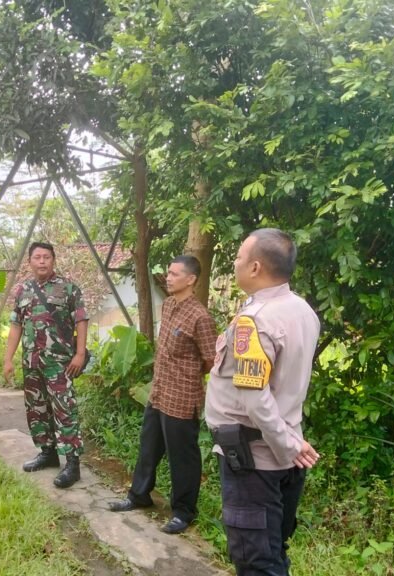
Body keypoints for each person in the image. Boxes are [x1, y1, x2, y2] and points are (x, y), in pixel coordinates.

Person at [204, 228, 320, 575]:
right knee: (274, 551)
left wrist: (287, 445)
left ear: (255, 267)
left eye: (239, 257)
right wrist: (292, 443)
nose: (235, 262)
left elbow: (255, 399)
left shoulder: (254, 321)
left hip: (256, 462)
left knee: (256, 561)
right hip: (284, 452)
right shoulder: (302, 310)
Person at [108, 255, 217, 534]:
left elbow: (210, 360)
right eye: (167, 273)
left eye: (174, 274)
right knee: (149, 446)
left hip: (182, 396)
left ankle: (183, 511)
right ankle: (139, 495)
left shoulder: (201, 317)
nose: (168, 278)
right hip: (159, 391)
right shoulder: (168, 305)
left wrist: (187, 374)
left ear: (191, 279)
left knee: (183, 457)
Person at [3, 241, 88, 489]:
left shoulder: (68, 288)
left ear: (54, 260)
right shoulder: (22, 291)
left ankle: (72, 463)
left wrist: (80, 354)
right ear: (30, 261)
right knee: (37, 409)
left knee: (65, 409)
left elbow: (81, 320)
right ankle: (47, 452)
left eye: (46, 257)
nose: (42, 261)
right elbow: (16, 325)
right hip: (32, 362)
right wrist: (8, 359)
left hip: (60, 363)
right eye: (37, 257)